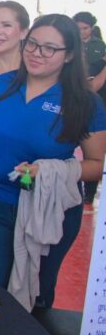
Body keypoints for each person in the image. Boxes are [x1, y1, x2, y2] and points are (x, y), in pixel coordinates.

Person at [0, 14, 106, 307]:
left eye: (49, 48)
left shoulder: (84, 101)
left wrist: (49, 169)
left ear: (69, 54)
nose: (36, 53)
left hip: (48, 211)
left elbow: (96, 164)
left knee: (34, 297)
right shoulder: (3, 85)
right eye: (32, 44)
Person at [73, 11, 106, 204]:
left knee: (92, 150)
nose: (82, 32)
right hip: (74, 99)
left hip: (95, 100)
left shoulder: (99, 47)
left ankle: (90, 192)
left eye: (85, 28)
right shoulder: (69, 45)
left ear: (92, 28)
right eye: (78, 28)